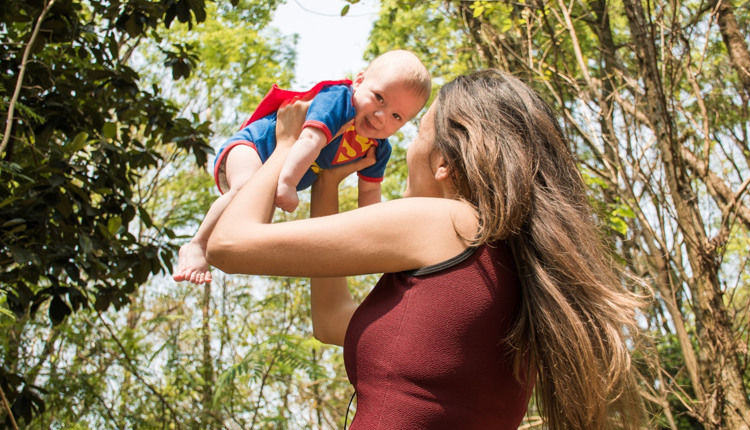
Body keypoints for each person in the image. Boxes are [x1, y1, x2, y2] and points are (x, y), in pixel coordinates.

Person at [206, 69, 645, 429]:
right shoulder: (513, 270)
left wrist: (286, 145)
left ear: (443, 163)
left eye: (416, 132)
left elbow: (229, 245)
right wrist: (328, 181)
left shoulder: (449, 223)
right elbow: (331, 320)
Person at [173, 49, 432, 284]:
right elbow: (309, 139)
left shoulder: (377, 148)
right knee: (244, 188)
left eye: (396, 116)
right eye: (379, 98)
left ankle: (219, 248)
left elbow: (370, 195)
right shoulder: (339, 101)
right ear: (359, 81)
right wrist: (287, 183)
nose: (381, 116)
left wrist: (378, 236)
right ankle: (197, 244)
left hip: (277, 172)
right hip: (255, 146)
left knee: (254, 225)